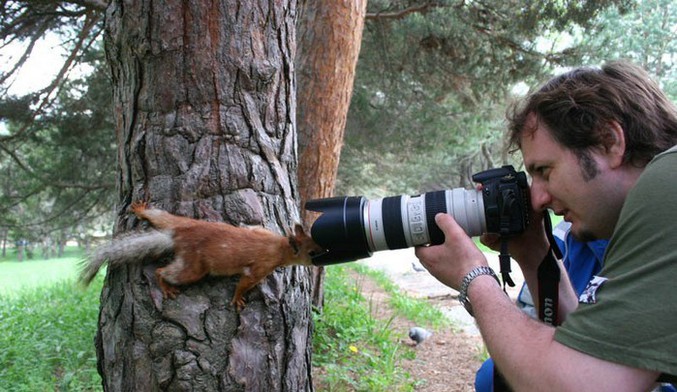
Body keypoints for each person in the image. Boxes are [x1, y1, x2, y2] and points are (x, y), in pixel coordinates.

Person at [415, 61, 677, 390]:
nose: (537, 198)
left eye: (545, 170)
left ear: (610, 141)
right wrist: (533, 251)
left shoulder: (668, 181)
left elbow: (579, 385)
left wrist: (473, 278)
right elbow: (595, 353)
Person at [474, 221, 607, 391]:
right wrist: (531, 250)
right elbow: (529, 330)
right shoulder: (566, 231)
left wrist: (475, 279)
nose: (540, 201)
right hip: (574, 361)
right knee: (492, 377)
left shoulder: (645, 248)